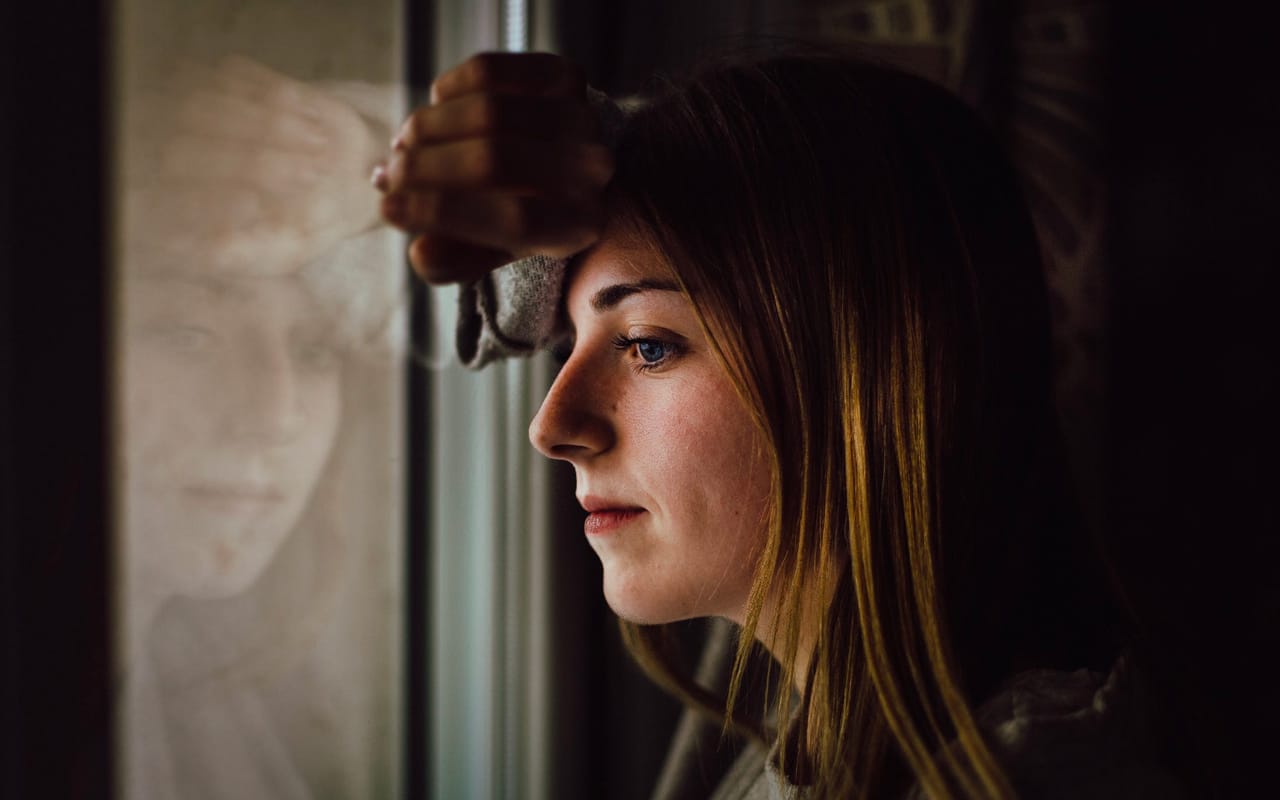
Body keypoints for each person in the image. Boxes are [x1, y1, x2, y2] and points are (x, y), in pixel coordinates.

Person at [378, 51, 1178, 799]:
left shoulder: (1013, 777)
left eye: (649, 346)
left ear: (859, 364)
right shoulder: (822, 711)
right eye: (573, 341)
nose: (551, 427)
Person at [120, 55, 404, 799]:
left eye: (314, 351)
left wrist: (373, 171)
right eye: (184, 334)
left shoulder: (222, 686)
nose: (273, 416)